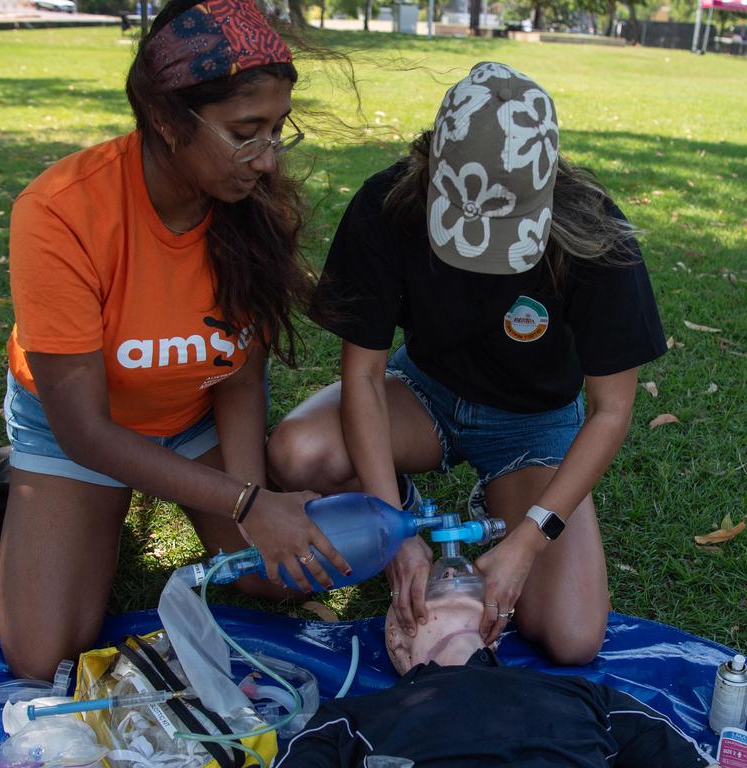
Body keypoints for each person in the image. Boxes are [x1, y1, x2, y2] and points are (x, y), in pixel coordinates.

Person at [267, 62, 667, 664]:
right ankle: (404, 499)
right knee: (299, 453)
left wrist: (530, 540)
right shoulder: (385, 205)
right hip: (423, 391)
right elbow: (365, 377)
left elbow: (611, 411)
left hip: (533, 423)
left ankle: (502, 509)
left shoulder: (597, 236)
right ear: (430, 168)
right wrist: (391, 527)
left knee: (573, 636)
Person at [0, 0, 350, 680]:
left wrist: (254, 503)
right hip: (82, 432)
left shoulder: (251, 206)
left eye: (278, 130)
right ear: (166, 119)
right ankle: (37, 497)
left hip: (191, 416)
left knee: (279, 579)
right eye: (247, 131)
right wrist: (247, 505)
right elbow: (85, 434)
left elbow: (241, 374)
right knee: (42, 656)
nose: (268, 159)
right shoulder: (58, 212)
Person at [273, 593, 716, 767]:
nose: (452, 574)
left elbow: (670, 753)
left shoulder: (585, 694)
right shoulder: (352, 716)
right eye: (433, 586)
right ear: (396, 639)